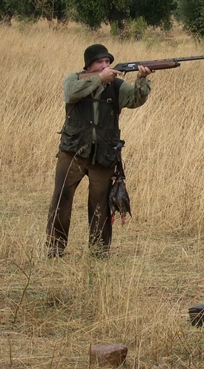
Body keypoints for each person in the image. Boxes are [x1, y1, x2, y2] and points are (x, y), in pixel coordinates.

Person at [46, 44, 154, 258]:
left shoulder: (116, 86)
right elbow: (70, 94)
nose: (105, 66)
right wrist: (99, 79)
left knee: (101, 204)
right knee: (62, 198)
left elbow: (135, 99)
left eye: (107, 62)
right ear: (89, 65)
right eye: (100, 62)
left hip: (104, 154)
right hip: (73, 151)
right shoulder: (73, 79)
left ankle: (99, 251)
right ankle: (55, 247)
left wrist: (142, 79)